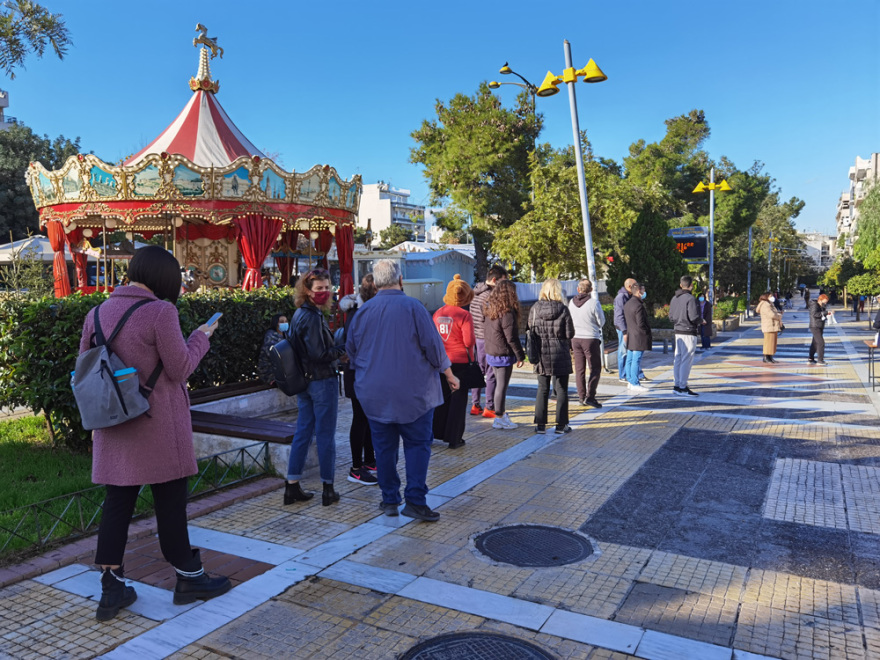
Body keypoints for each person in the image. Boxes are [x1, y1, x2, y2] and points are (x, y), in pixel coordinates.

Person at [79, 245, 231, 622]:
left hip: (114, 423)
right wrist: (201, 336)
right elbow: (180, 368)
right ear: (165, 278)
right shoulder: (161, 312)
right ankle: (189, 578)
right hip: (158, 424)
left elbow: (86, 369)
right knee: (170, 504)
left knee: (117, 504)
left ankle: (111, 589)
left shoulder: (95, 314)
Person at [346, 259, 460, 522]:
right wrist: (449, 374)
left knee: (383, 449)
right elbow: (434, 348)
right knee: (417, 446)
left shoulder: (363, 312)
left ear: (375, 283)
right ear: (400, 280)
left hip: (374, 393)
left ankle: (389, 499)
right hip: (414, 393)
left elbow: (351, 350)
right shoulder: (414, 307)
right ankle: (415, 501)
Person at [284, 269, 345, 507]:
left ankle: (292, 486)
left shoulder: (300, 313)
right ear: (307, 291)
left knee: (303, 432)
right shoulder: (311, 316)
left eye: (327, 287)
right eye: (319, 288)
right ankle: (328, 489)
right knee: (325, 435)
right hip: (321, 381)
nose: (324, 292)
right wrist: (343, 349)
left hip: (305, 382)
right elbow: (319, 354)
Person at [339, 275, 378, 485]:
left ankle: (370, 460)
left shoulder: (364, 310)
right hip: (358, 373)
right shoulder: (359, 313)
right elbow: (357, 345)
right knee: (360, 418)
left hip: (363, 372)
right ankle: (355, 468)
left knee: (368, 417)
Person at [432, 274, 476, 448]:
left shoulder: (438, 313)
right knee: (458, 401)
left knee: (441, 399)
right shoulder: (465, 315)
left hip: (441, 361)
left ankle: (436, 432)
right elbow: (469, 341)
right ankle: (454, 438)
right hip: (460, 362)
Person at [528, 279, 575, 434]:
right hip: (560, 353)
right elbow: (569, 333)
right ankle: (561, 425)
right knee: (561, 389)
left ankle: (540, 425)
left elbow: (530, 329)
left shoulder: (535, 309)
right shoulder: (563, 309)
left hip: (541, 353)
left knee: (542, 388)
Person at [483, 279, 525, 430]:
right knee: (501, 386)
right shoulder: (507, 313)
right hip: (503, 354)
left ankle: (500, 415)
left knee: (497, 385)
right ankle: (499, 417)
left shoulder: (490, 309)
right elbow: (511, 338)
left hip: (492, 352)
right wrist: (520, 355)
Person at [469, 264, 508, 418]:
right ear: (494, 280)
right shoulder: (490, 296)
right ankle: (489, 406)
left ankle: (475, 404)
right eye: (503, 281)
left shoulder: (475, 293)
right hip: (487, 337)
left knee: (478, 371)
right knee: (491, 373)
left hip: (475, 336)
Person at [569, 278, 605, 408]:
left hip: (575, 338)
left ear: (578, 289)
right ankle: (590, 397)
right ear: (591, 290)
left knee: (579, 369)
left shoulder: (571, 302)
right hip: (590, 338)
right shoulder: (593, 303)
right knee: (595, 368)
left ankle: (581, 396)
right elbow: (601, 321)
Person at [668, 275, 701, 397]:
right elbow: (693, 317)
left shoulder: (674, 298)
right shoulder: (690, 299)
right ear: (691, 285)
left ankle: (677, 385)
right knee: (686, 360)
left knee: (678, 358)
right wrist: (701, 321)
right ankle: (683, 386)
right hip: (688, 331)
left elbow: (671, 317)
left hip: (678, 331)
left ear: (681, 285)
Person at [622, 280, 651, 394]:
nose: (644, 292)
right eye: (643, 290)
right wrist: (647, 331)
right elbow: (641, 323)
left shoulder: (628, 303)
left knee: (630, 359)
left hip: (631, 335)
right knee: (636, 360)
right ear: (639, 291)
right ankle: (635, 382)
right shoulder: (638, 305)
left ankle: (630, 380)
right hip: (639, 336)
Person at [257, 314, 288, 385]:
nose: (285, 323)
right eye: (281, 322)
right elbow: (276, 356)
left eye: (286, 321)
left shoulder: (286, 335)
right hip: (269, 372)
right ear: (275, 323)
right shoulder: (270, 338)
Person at [756, 292, 782, 363]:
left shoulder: (769, 303)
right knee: (768, 342)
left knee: (772, 342)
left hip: (772, 326)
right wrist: (779, 316)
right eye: (770, 296)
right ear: (766, 296)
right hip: (769, 326)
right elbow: (771, 314)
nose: (772, 297)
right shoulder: (765, 304)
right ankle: (766, 357)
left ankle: (770, 357)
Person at [808, 293, 831, 366]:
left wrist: (826, 312)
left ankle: (811, 358)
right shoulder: (814, 305)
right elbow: (815, 314)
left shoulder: (822, 306)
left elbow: (822, 314)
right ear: (820, 299)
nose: (826, 302)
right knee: (821, 343)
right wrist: (825, 312)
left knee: (815, 343)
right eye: (825, 301)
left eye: (826, 301)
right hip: (815, 326)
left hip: (820, 325)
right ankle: (820, 360)